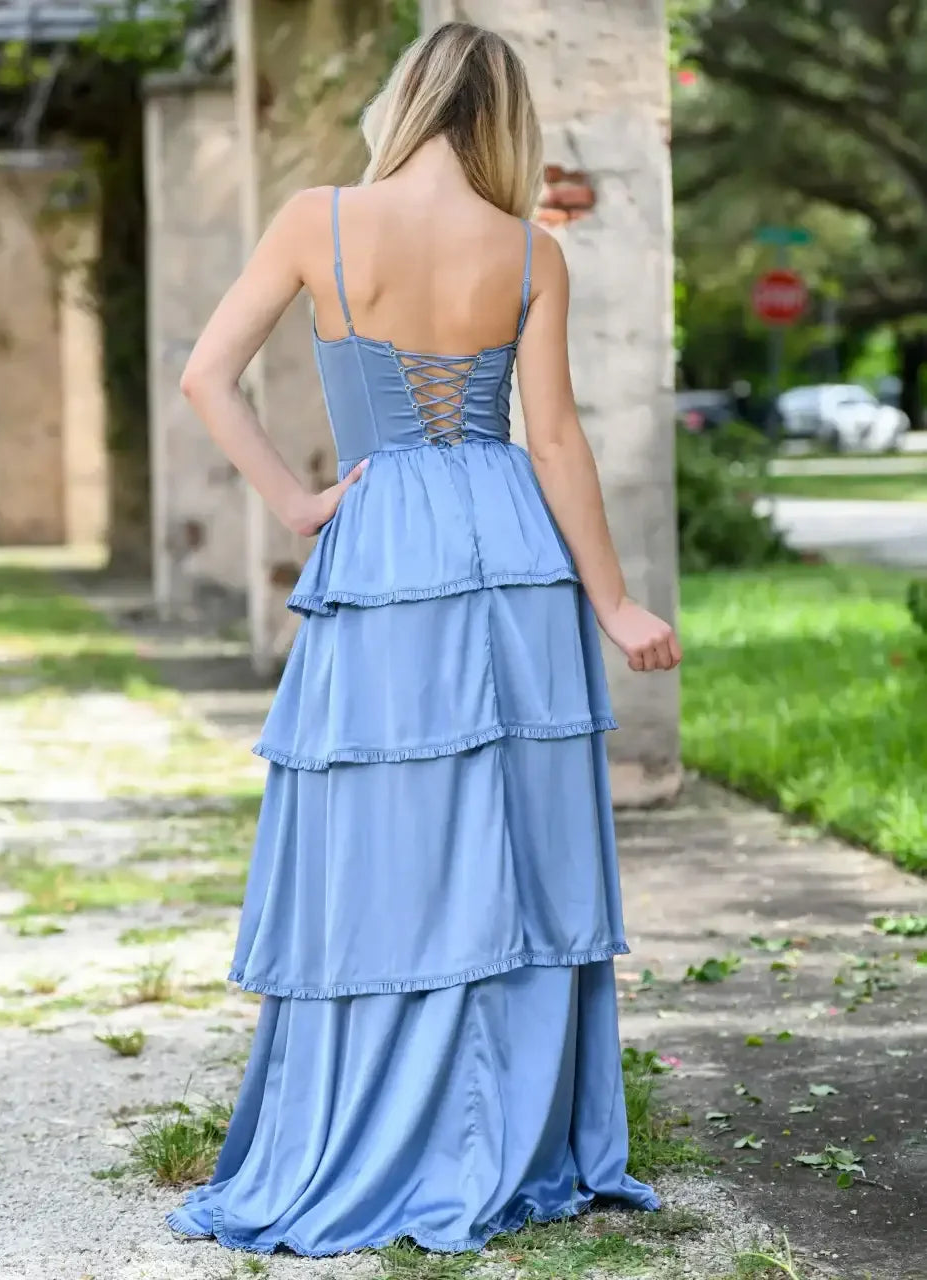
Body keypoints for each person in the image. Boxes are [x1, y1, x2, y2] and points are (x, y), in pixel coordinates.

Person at [169, 19, 680, 1258]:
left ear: (402, 101)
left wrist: (296, 504)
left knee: (383, 828)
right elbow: (552, 440)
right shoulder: (529, 252)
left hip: (383, 547)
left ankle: (362, 1122)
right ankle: (497, 1131)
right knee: (509, 836)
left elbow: (205, 376)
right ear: (506, 120)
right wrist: (614, 604)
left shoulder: (316, 219)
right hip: (505, 543)